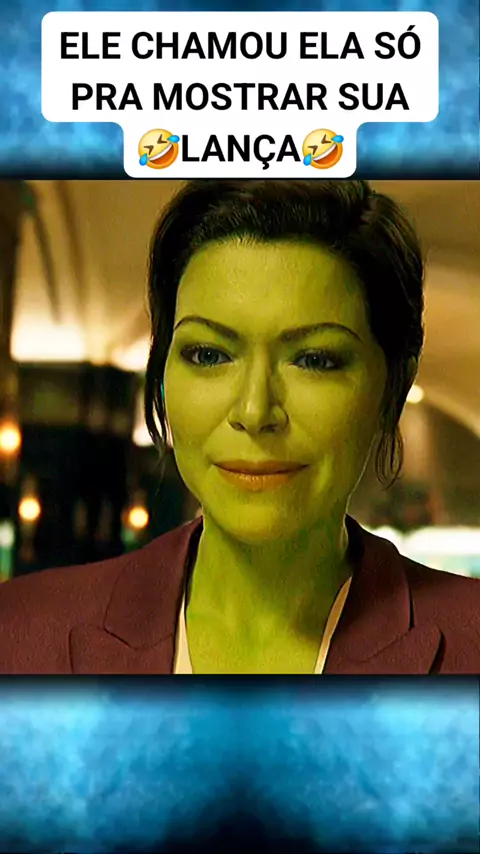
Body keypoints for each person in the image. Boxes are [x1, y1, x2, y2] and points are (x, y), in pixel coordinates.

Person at [1, 179, 479, 674]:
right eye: (209, 354)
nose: (254, 412)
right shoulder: (20, 635)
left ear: (393, 386)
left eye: (314, 360)